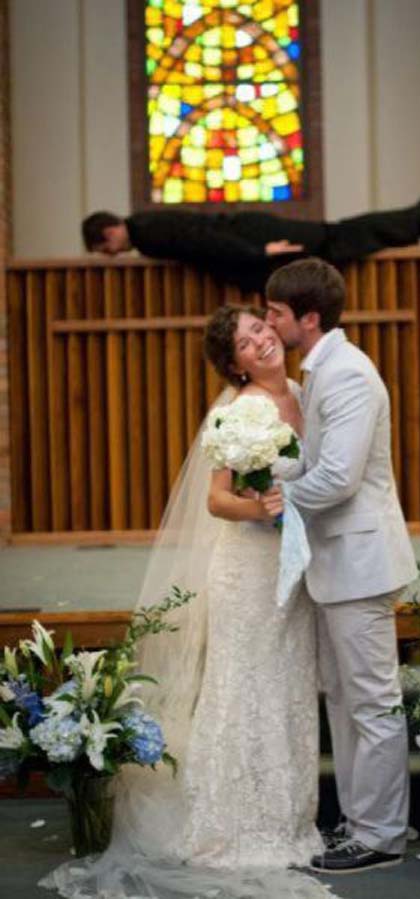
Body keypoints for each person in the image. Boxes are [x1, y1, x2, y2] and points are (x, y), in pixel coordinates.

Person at [40, 306, 335, 899]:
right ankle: (230, 824)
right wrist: (265, 510)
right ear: (235, 364)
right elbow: (217, 500)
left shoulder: (306, 392)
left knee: (289, 686)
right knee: (243, 685)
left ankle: (288, 817)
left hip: (292, 570)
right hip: (245, 568)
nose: (261, 340)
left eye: (261, 328)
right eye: (246, 343)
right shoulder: (239, 410)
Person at [263, 257, 418, 874]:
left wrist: (273, 501)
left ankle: (381, 833)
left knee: (372, 703)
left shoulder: (349, 375)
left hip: (360, 561)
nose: (270, 325)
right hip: (337, 561)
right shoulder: (323, 369)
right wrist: (273, 476)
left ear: (309, 316)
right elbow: (316, 465)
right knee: (343, 701)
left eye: (276, 314)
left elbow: (339, 477)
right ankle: (359, 821)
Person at [81, 196, 420, 292]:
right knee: (334, 239)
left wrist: (259, 252)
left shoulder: (148, 234)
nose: (111, 256)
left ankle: (417, 218)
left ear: (110, 233)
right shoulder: (147, 226)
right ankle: (415, 220)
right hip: (252, 236)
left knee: (334, 240)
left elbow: (205, 242)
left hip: (255, 239)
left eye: (105, 250)